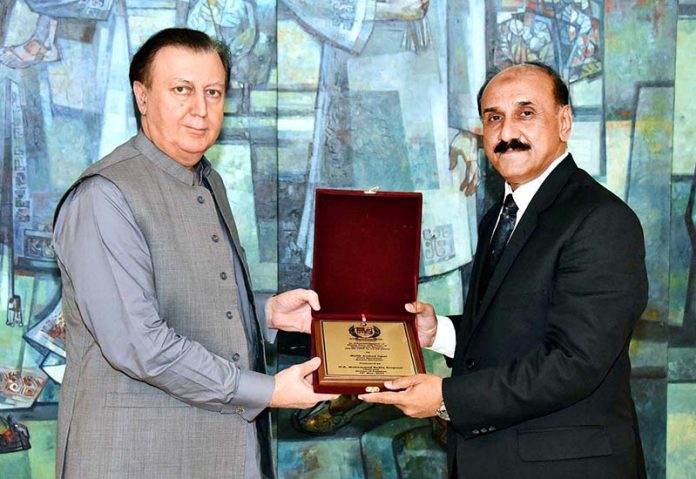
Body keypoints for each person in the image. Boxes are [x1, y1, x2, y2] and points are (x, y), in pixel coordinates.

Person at [52, 28, 336, 479]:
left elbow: (187, 299)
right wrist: (267, 391)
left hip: (219, 452)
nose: (200, 110)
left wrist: (264, 312)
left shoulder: (208, 180)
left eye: (213, 92)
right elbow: (140, 345)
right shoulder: (104, 195)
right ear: (142, 97)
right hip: (136, 458)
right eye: (181, 90)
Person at [360, 62, 649, 478]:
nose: (507, 132)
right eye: (494, 118)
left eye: (525, 113)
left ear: (564, 121)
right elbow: (514, 329)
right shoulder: (499, 215)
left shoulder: (600, 219)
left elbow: (573, 361)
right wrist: (437, 331)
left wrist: (447, 398)